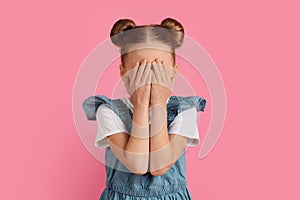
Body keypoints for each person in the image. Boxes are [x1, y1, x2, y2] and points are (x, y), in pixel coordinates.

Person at [82, 18, 206, 200]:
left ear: (173, 73)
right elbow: (137, 165)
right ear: (123, 73)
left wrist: (158, 104)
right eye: (140, 69)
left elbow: (159, 165)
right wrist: (140, 105)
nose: (149, 77)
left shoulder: (186, 110)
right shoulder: (108, 111)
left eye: (158, 69)